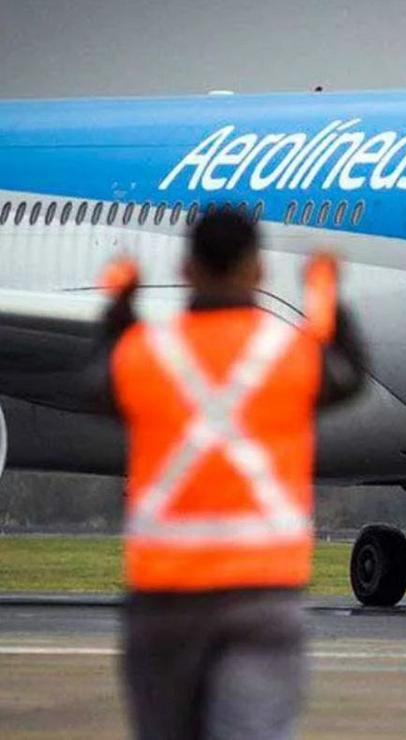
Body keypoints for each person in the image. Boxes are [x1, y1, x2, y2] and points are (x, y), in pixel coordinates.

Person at [92, 209, 367, 739]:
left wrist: (119, 309)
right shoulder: (288, 353)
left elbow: (97, 381)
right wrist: (327, 293)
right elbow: (349, 371)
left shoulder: (147, 352)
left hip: (165, 603)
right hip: (262, 598)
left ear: (186, 268)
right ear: (259, 271)